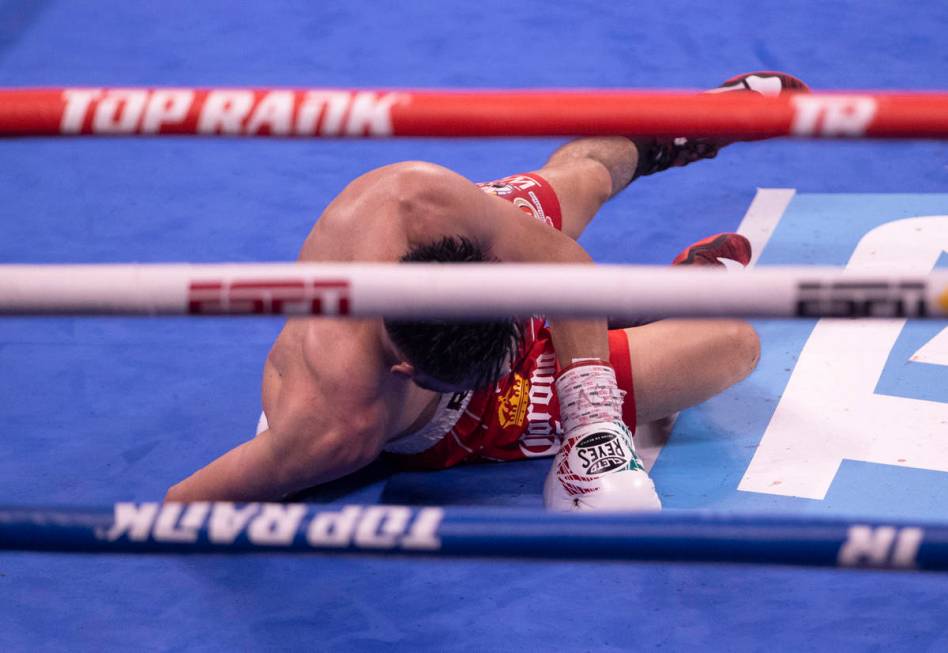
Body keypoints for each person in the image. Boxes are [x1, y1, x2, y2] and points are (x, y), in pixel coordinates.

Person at [165, 72, 808, 510]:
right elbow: (180, 505)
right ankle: (683, 289)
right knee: (732, 345)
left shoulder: (414, 201)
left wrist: (591, 415)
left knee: (580, 180)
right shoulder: (335, 428)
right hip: (461, 419)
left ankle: (674, 131)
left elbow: (558, 261)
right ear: (403, 367)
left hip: (481, 307)